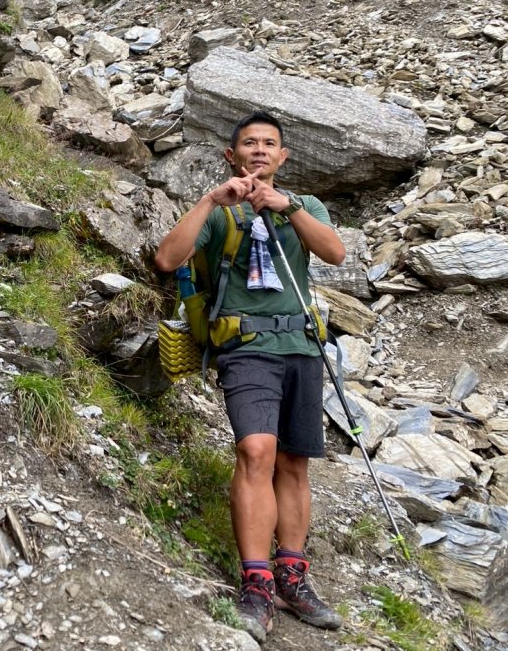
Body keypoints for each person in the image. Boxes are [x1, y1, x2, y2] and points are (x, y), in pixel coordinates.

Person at [154, 111, 346, 644]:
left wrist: (287, 207)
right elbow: (168, 258)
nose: (259, 150)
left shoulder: (303, 207)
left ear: (283, 158)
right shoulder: (219, 213)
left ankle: (292, 575)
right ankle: (257, 582)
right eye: (248, 143)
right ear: (231, 155)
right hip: (246, 348)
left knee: (293, 461)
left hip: (303, 347)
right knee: (256, 451)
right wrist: (213, 201)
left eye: (269, 144)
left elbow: (334, 252)